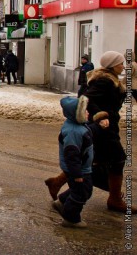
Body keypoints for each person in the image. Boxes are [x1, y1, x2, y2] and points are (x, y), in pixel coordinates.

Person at [45, 51, 135, 213]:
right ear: (113, 65)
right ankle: (113, 199)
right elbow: (86, 100)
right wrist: (100, 116)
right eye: (121, 63)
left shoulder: (110, 79)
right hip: (103, 128)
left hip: (107, 127)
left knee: (93, 161)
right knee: (116, 159)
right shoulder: (104, 81)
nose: (123, 66)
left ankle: (61, 188)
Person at [52, 96, 94, 228]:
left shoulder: (78, 125)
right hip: (78, 170)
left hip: (81, 167)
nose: (88, 112)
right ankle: (71, 218)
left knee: (80, 190)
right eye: (85, 111)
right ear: (77, 114)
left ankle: (62, 201)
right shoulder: (73, 132)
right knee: (81, 193)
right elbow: (72, 156)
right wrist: (77, 175)